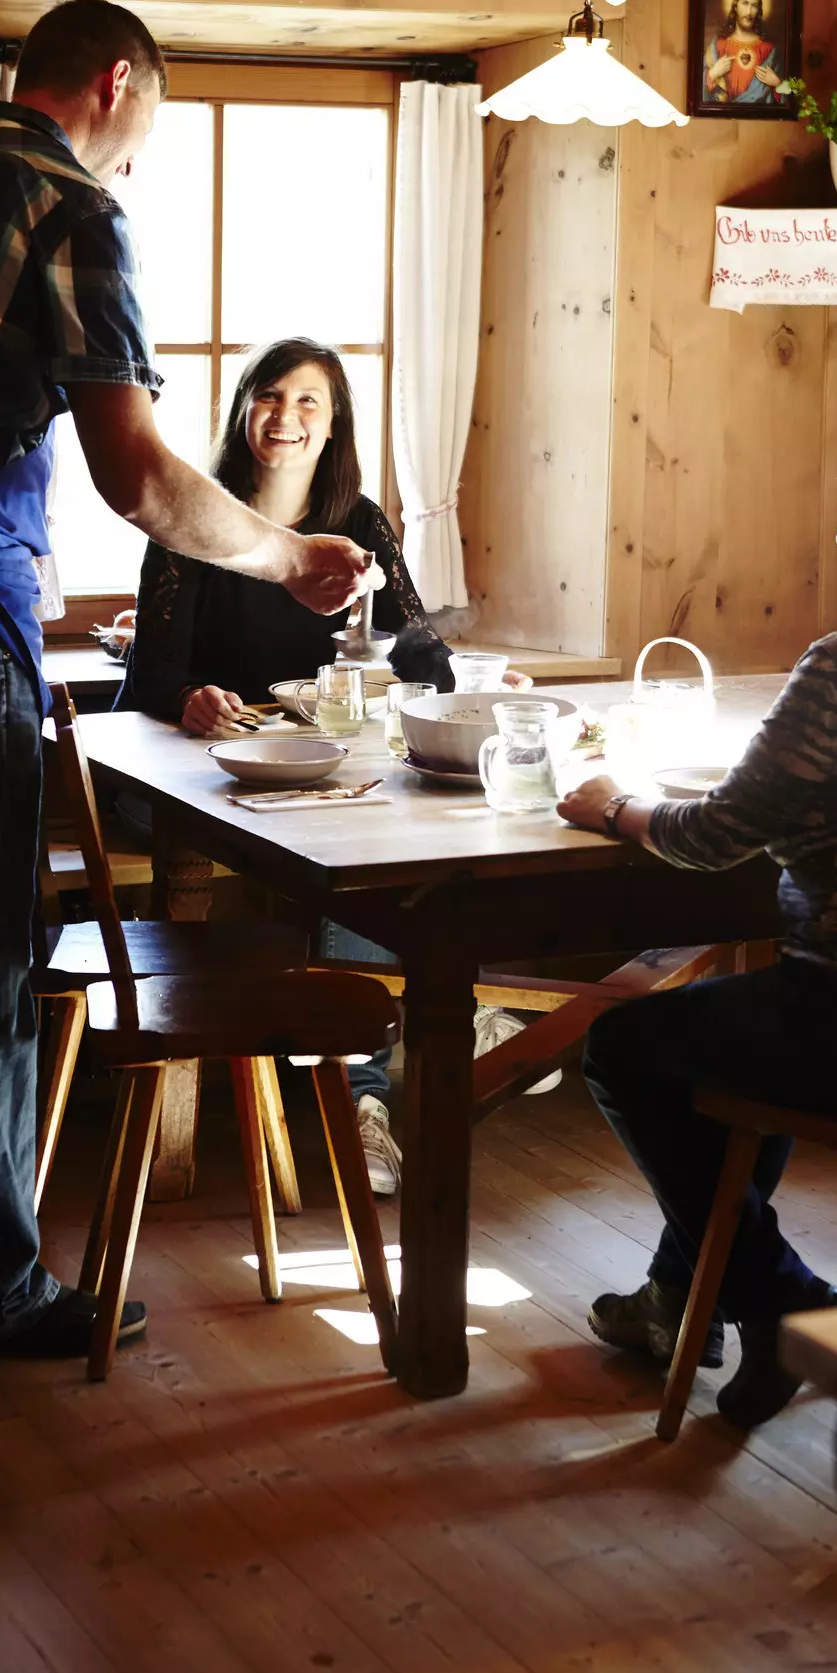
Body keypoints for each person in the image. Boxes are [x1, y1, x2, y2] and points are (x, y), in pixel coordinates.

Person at [0, 0, 380, 1362]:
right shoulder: (70, 210)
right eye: (142, 133)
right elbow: (144, 480)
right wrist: (288, 557)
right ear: (115, 84)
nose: (131, 166)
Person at [556, 417, 837, 1428]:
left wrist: (614, 809)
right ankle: (715, 1311)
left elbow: (718, 834)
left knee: (627, 1044)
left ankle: (795, 1307)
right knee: (733, 1036)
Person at [118, 336, 547, 1195]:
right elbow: (151, 678)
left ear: (334, 422)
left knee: (383, 839)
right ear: (243, 412)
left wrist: (482, 683)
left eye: (308, 401)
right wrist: (192, 697)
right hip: (215, 776)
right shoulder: (197, 520)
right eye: (270, 396)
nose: (286, 416)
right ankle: (434, 1039)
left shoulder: (359, 523)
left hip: (327, 771)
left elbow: (415, 650)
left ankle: (388, 1073)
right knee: (347, 854)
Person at [703, 0, 784, 106]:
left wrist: (778, 84)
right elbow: (699, 91)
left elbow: (788, 99)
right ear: (735, 6)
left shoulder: (769, 49)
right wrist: (713, 73)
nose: (749, 12)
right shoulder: (718, 45)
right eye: (745, 3)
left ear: (759, 9)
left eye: (754, 5)